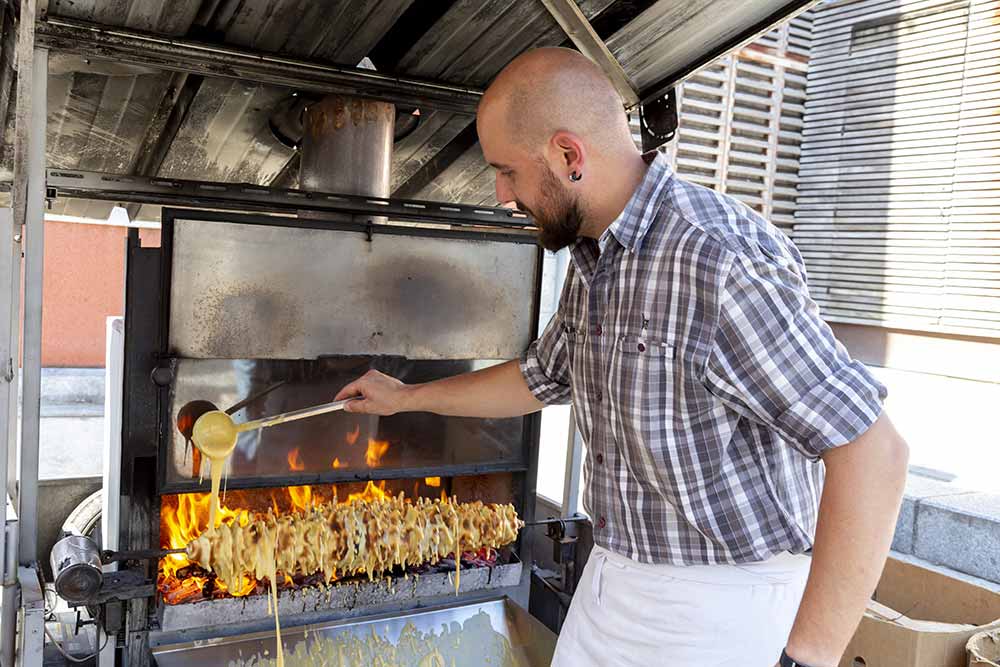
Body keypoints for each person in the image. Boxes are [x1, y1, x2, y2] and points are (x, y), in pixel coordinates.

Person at [335, 47, 909, 667]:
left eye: (508, 171)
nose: (502, 194)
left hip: (722, 603)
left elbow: (873, 452)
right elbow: (539, 378)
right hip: (614, 577)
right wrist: (406, 397)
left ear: (568, 156)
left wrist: (808, 658)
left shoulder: (716, 259)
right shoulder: (595, 258)